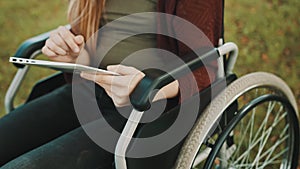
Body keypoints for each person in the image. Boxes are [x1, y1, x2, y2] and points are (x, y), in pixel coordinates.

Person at [0, 0, 223, 168]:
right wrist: (73, 54)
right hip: (89, 89)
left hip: (150, 110)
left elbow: (205, 66)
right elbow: (94, 38)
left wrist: (149, 88)